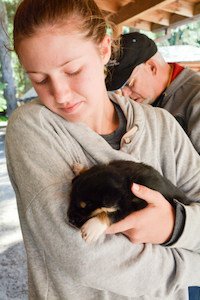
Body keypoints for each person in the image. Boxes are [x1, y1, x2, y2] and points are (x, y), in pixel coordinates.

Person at [5, 0, 200, 299]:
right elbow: (85, 257)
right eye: (40, 80)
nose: (60, 94)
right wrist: (192, 264)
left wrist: (174, 225)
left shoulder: (162, 126)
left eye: (72, 70)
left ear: (103, 49)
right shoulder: (33, 128)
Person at [106, 32, 200, 154]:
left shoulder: (195, 96)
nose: (125, 95)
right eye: (120, 89)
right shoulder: (148, 101)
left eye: (130, 84)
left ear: (151, 67)